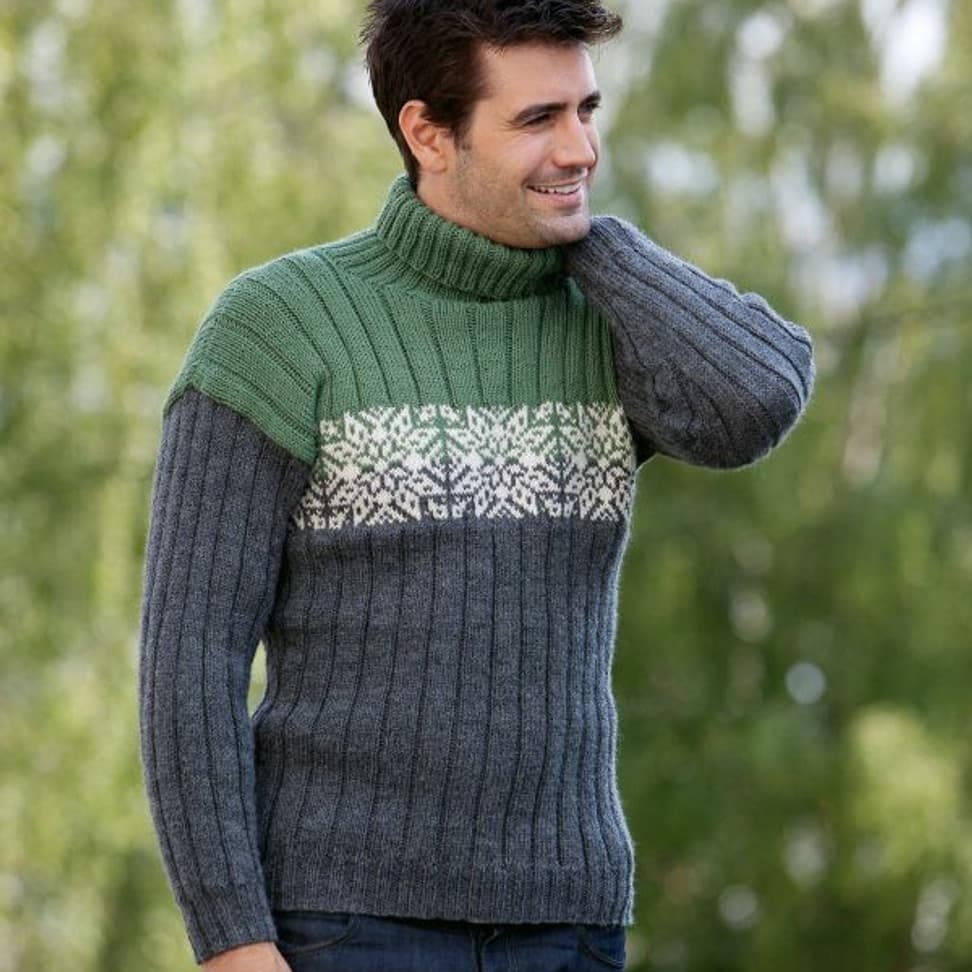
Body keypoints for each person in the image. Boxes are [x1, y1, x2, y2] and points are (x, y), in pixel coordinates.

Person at [137, 1, 815, 970]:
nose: (580, 147)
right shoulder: (278, 328)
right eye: (538, 119)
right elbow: (190, 664)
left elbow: (756, 400)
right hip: (340, 925)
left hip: (569, 928)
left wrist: (595, 242)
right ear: (427, 132)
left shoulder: (602, 315)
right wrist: (231, 942)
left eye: (587, 110)